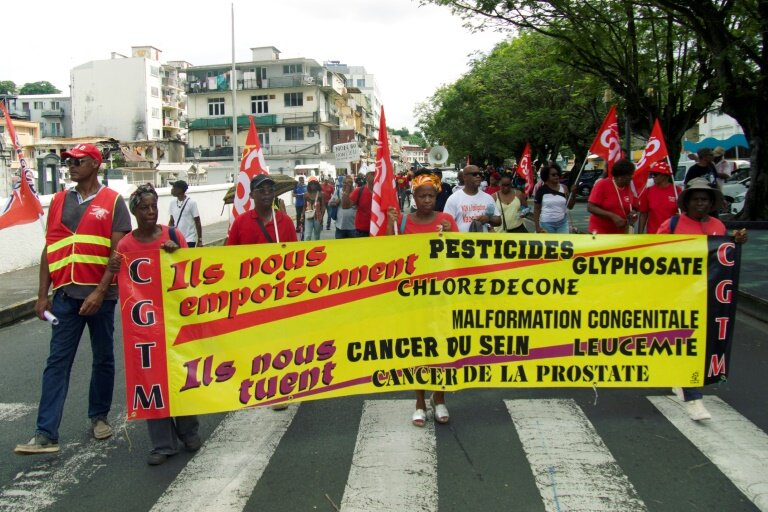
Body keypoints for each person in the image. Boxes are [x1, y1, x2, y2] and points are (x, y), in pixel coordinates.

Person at [15, 143, 131, 455]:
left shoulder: (114, 202)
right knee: (57, 363)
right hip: (65, 296)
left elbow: (116, 255)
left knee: (103, 357)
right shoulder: (58, 201)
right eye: (68, 161)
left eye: (78, 161)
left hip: (100, 298)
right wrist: (42, 295)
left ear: (95, 164)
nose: (71, 166)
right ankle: (45, 433)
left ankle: (99, 416)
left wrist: (99, 292)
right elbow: (49, 250)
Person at [110, 184, 201, 465]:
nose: (150, 212)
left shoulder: (173, 235)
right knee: (151, 380)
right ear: (134, 211)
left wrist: (177, 254)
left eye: (153, 207)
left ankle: (188, 432)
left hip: (176, 321)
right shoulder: (125, 246)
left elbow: (193, 274)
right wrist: (113, 270)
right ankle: (163, 443)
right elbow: (123, 286)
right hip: (146, 329)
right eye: (144, 208)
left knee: (182, 374)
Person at [657, 177, 748, 421]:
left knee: (697, 343)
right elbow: (654, 255)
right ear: (687, 202)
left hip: (709, 297)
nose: (701, 203)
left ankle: (680, 379)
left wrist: (735, 241)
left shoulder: (719, 226)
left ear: (711, 203)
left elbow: (723, 255)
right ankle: (694, 398)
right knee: (687, 341)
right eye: (696, 199)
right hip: (679, 296)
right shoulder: (672, 224)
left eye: (705, 199)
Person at [386, 171, 457, 427]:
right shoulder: (402, 223)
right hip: (413, 299)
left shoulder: (447, 220)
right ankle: (418, 402)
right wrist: (389, 225)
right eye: (421, 195)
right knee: (417, 351)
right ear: (413, 197)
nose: (427, 200)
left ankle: (439, 400)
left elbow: (462, 256)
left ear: (436, 197)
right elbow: (386, 255)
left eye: (431, 195)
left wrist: (451, 234)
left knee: (441, 350)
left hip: (441, 297)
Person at [227, 174, 298, 411]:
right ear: (252, 195)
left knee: (280, 341)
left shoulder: (284, 222)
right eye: (262, 190)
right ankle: (258, 384)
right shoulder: (240, 223)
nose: (267, 193)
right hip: (251, 296)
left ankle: (279, 390)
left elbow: (297, 259)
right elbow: (228, 259)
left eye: (271, 189)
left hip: (280, 293)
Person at [587, 158, 638, 234]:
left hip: (620, 231)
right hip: (600, 230)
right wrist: (612, 216)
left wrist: (633, 213)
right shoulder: (602, 184)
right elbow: (590, 207)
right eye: (629, 175)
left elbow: (633, 206)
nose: (631, 178)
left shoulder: (629, 187)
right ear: (620, 177)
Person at [444, 165, 500, 232]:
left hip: (482, 241)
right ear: (464, 177)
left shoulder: (488, 198)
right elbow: (446, 224)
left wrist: (488, 219)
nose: (478, 176)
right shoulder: (453, 199)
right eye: (474, 174)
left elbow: (499, 221)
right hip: (462, 241)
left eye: (480, 174)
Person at [637, 161, 681, 234]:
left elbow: (684, 212)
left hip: (672, 233)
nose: (653, 177)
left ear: (665, 175)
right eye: (652, 174)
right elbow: (643, 214)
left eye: (655, 174)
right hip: (654, 233)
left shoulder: (677, 191)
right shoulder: (648, 191)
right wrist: (640, 233)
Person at [533, 163, 573, 234]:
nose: (557, 176)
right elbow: (536, 209)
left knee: (563, 244)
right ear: (547, 176)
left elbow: (570, 206)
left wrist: (573, 194)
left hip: (562, 224)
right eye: (553, 175)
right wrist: (537, 227)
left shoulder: (564, 188)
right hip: (546, 224)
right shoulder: (541, 190)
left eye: (558, 174)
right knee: (549, 245)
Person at [168, 180, 202, 247]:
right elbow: (171, 221)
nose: (172, 190)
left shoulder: (192, 203)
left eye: (174, 188)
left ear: (180, 190)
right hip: (176, 239)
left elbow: (197, 221)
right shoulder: (172, 203)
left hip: (190, 239)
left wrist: (199, 240)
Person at [342, 170, 375, 237]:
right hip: (362, 232)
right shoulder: (359, 191)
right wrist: (347, 188)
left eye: (376, 173)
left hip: (379, 231)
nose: (375, 176)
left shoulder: (383, 192)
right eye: (372, 174)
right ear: (367, 176)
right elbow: (345, 206)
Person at [301, 176, 326, 241]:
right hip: (308, 216)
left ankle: (316, 249)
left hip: (317, 217)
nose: (313, 185)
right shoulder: (306, 194)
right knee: (307, 236)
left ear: (317, 184)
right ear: (309, 185)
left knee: (317, 236)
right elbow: (304, 206)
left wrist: (322, 217)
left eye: (315, 183)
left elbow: (323, 207)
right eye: (311, 184)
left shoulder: (321, 194)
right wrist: (302, 216)